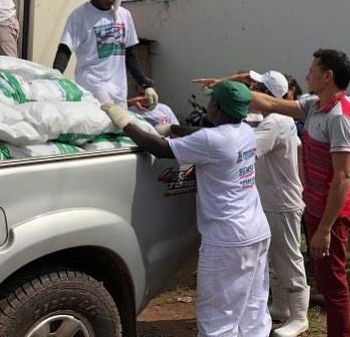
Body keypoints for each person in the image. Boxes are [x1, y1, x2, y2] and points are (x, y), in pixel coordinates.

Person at [195, 48, 350, 337]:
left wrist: (325, 228)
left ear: (327, 75)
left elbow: (344, 177)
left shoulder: (340, 116)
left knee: (333, 285)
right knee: (323, 279)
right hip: (313, 206)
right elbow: (267, 101)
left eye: (312, 70)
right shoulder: (315, 105)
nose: (307, 74)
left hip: (329, 214)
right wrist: (228, 82)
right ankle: (292, 311)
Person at [101, 81, 272, 337]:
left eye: (210, 100)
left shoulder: (212, 140)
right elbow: (202, 135)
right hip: (256, 232)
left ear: (215, 105)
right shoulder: (245, 131)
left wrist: (125, 122)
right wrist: (174, 127)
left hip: (228, 240)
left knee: (218, 320)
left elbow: (158, 148)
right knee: (253, 311)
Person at [249, 70, 309, 337]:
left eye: (256, 87)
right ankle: (282, 307)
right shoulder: (277, 119)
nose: (251, 90)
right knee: (275, 255)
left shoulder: (274, 122)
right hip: (274, 199)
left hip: (281, 201)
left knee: (288, 257)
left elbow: (247, 151)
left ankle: (300, 317)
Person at [52, 0, 158, 108]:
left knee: (119, 126)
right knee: (111, 115)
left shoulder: (124, 15)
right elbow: (65, 48)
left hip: (119, 87)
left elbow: (130, 54)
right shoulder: (80, 16)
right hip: (92, 82)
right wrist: (55, 76)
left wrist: (145, 84)